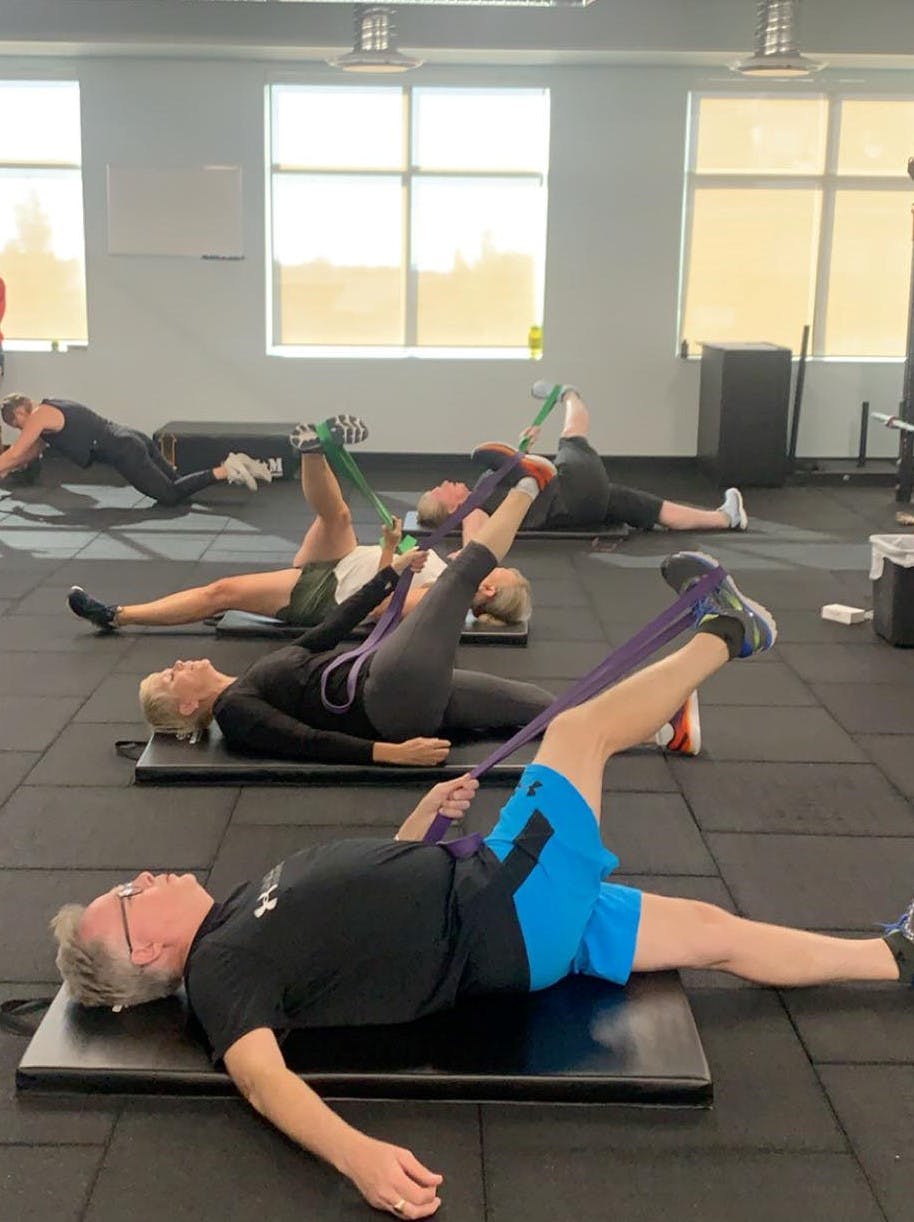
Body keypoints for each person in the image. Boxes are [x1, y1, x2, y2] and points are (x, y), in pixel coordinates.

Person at [51, 552, 913, 1219]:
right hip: (506, 907)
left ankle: (892, 957)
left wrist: (423, 820)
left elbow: (368, 909)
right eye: (129, 897)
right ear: (146, 949)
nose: (141, 876)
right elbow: (261, 1081)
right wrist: (359, 1157)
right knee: (576, 732)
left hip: (500, 899)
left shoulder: (241, 910)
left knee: (712, 930)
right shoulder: (218, 975)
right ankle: (730, 629)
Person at [137, 460, 561, 767]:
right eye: (171, 677)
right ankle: (529, 483)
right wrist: (388, 754)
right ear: (189, 705)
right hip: (388, 692)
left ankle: (604, 724)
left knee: (544, 707)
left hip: (402, 691)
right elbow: (305, 741)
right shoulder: (233, 711)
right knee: (458, 580)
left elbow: (331, 628)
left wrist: (389, 575)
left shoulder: (252, 677)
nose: (177, 664)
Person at [65, 414, 532, 634]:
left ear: (488, 592)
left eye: (498, 573)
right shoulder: (459, 573)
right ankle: (310, 449)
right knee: (338, 514)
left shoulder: (439, 597)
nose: (491, 566)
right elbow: (477, 524)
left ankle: (118, 615)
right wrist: (513, 463)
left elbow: (375, 607)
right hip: (344, 561)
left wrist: (393, 552)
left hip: (327, 595)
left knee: (221, 593)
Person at [416, 381, 749, 538]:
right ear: (449, 509)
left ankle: (725, 519)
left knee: (648, 507)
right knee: (573, 434)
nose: (443, 483)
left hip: (577, 508)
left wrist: (522, 451)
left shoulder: (482, 493)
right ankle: (568, 393)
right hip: (572, 489)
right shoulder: (473, 511)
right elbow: (476, 545)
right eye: (438, 490)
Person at [0, 393, 272, 503]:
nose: (21, 431)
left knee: (170, 496)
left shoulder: (38, 417)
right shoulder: (53, 408)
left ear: (20, 415)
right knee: (177, 482)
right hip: (133, 437)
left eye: (17, 426)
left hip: (123, 451)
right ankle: (239, 463)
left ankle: (227, 469)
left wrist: (6, 463)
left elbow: (16, 451)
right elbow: (27, 452)